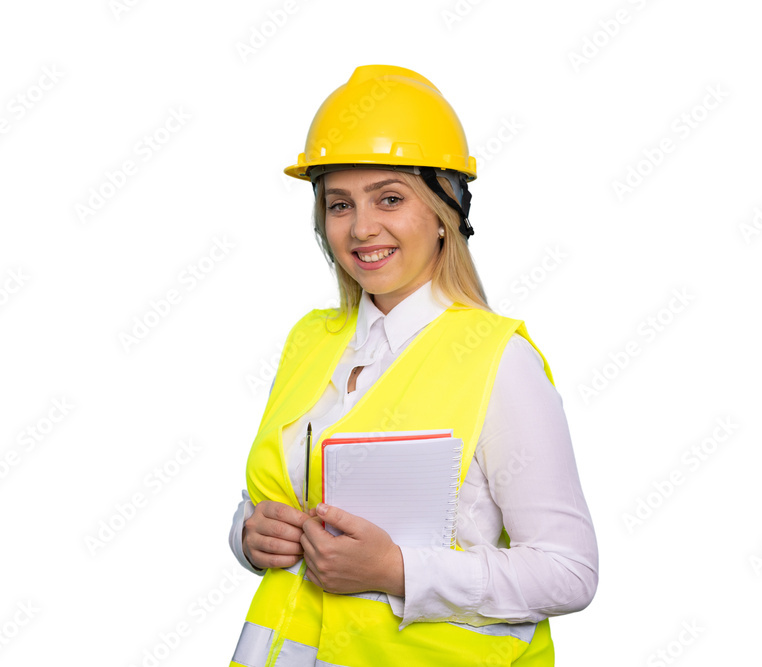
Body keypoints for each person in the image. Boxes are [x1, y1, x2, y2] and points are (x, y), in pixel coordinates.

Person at [228, 64, 598, 667]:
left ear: (444, 208)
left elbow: (568, 571)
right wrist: (249, 534)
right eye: (339, 203)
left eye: (390, 198)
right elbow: (273, 496)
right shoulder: (310, 341)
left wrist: (398, 571)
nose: (362, 227)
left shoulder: (499, 361)